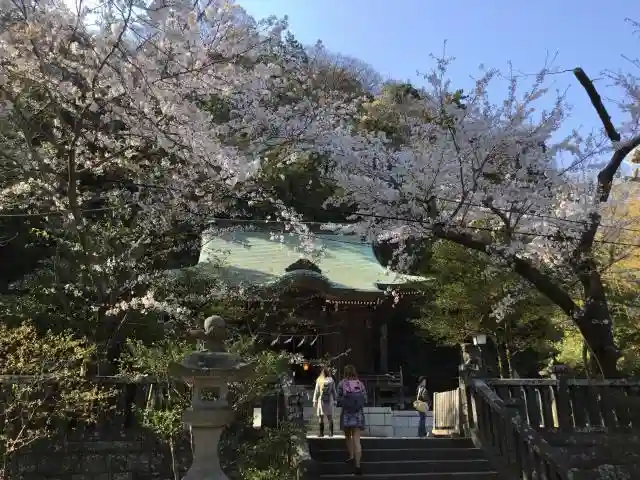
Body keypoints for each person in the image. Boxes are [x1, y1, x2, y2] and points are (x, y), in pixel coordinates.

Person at [337, 364, 367, 476]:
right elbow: (365, 399)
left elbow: (338, 400)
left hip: (346, 414)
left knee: (347, 436)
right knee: (357, 441)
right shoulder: (360, 384)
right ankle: (358, 466)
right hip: (358, 414)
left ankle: (351, 455)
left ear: (345, 373)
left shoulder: (341, 384)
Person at [312, 367, 337, 437]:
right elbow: (334, 391)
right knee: (330, 417)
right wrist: (335, 400)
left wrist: (314, 401)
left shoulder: (319, 380)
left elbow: (316, 391)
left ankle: (321, 433)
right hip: (329, 400)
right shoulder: (331, 381)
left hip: (321, 400)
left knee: (321, 417)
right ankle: (331, 433)